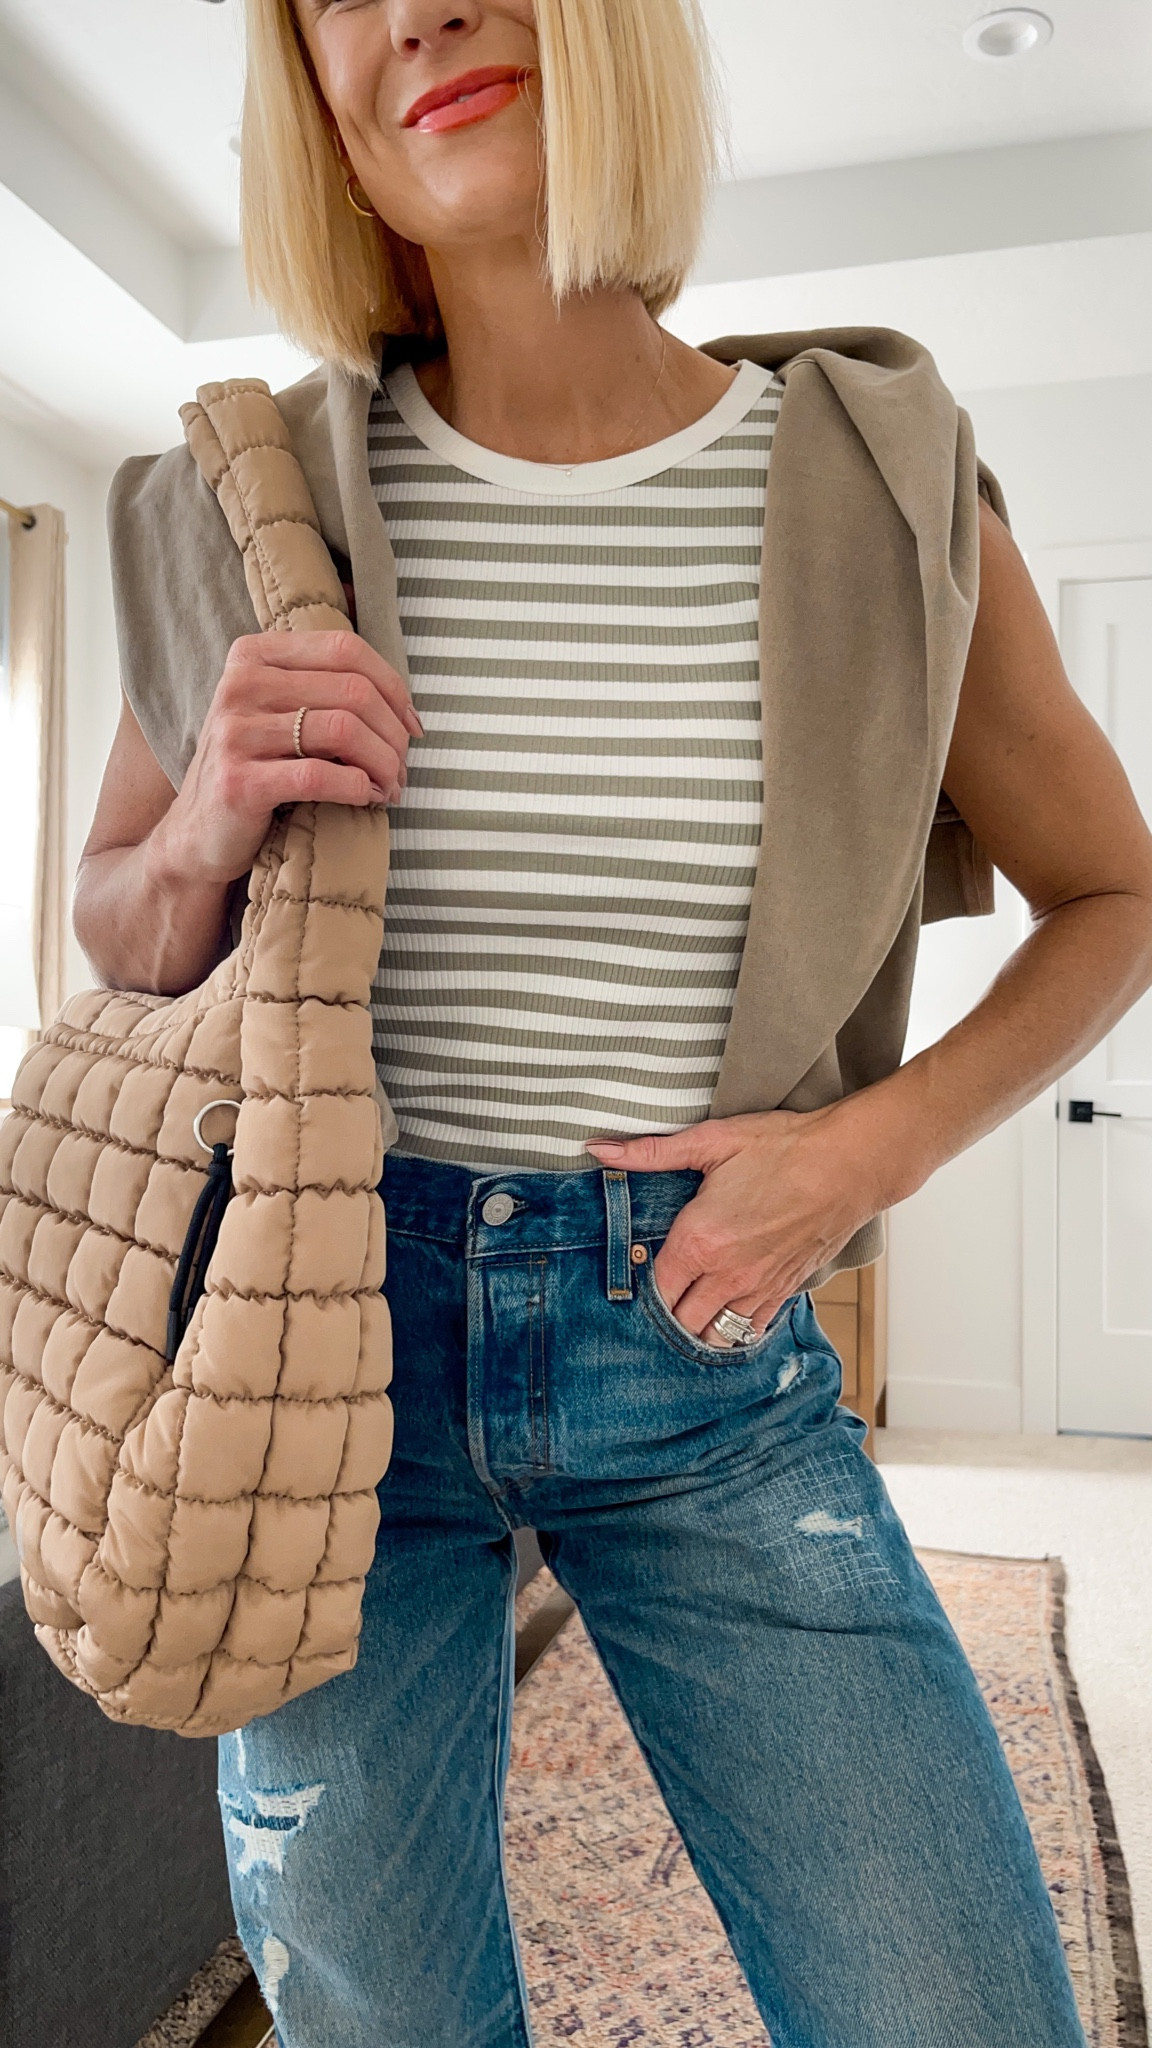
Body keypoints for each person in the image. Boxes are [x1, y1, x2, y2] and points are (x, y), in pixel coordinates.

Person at [74, 2, 1152, 2042]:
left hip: (702, 1350)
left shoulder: (876, 474)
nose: (419, 15)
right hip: (323, 1369)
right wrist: (206, 807)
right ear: (319, 94)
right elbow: (120, 933)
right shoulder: (243, 502)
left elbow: (1119, 893)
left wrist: (868, 1152)